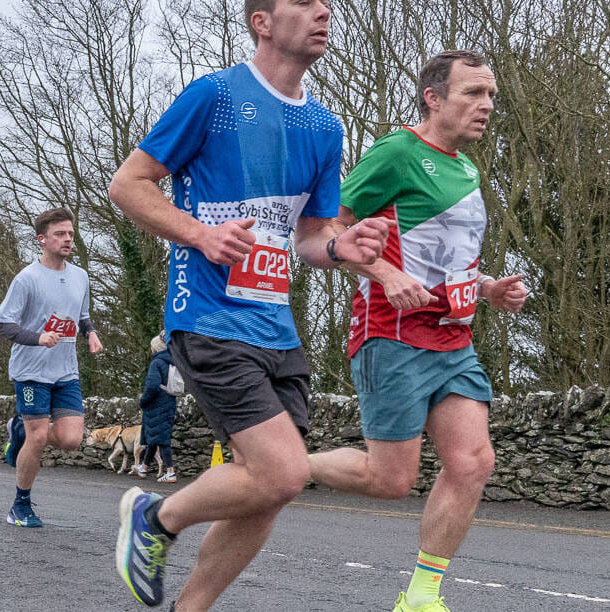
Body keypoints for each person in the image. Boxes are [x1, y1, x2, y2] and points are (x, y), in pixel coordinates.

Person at [105, 0, 394, 606]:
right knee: (283, 470)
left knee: (271, 491)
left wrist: (346, 246)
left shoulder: (325, 126)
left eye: (326, 5)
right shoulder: (214, 95)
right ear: (262, 21)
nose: (324, 11)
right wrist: (200, 233)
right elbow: (127, 184)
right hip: (207, 316)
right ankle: (156, 519)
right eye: (305, 2)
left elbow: (311, 237)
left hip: (275, 326)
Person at [305, 50, 527, 612]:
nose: (487, 106)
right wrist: (382, 272)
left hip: (452, 340)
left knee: (473, 461)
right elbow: (330, 228)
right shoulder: (398, 152)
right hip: (392, 334)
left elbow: (444, 261)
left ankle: (422, 595)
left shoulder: (467, 168)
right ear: (433, 98)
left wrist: (489, 288)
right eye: (473, 93)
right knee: (391, 480)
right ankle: (283, 466)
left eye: (491, 95)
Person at [0, 208, 103, 528]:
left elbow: (81, 314)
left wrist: (91, 334)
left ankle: (18, 430)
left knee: (70, 440)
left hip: (66, 371)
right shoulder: (27, 279)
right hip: (31, 371)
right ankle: (20, 505)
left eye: (70, 233)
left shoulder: (80, 276)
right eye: (60, 234)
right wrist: (37, 338)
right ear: (42, 240)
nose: (68, 239)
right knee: (38, 437)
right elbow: (2, 323)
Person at [135, 333, 178, 483]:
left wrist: (143, 401)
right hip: (169, 401)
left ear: (156, 348)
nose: (151, 349)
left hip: (156, 404)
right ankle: (144, 467)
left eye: (152, 346)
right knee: (155, 436)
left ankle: (170, 472)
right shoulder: (173, 362)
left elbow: (152, 386)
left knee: (162, 439)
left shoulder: (157, 362)